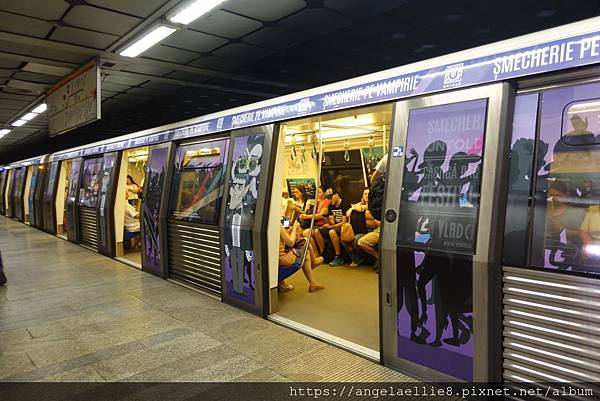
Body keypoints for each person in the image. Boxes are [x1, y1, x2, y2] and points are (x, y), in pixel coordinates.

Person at [278, 220, 325, 293]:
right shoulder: (277, 224)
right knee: (306, 251)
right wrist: (294, 228)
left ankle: (281, 283)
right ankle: (313, 282)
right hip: (283, 259)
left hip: (273, 258)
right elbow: (290, 243)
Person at [315, 189, 351, 266]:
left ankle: (338, 256)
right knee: (317, 231)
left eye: (330, 198)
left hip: (344, 227)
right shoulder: (331, 205)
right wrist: (327, 220)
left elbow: (344, 222)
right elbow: (332, 221)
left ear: (336, 195)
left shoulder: (345, 203)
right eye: (328, 198)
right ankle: (323, 253)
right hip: (335, 225)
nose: (329, 200)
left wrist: (331, 226)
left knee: (332, 232)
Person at [343, 188, 379, 266]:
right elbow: (347, 213)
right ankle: (356, 258)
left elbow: (367, 207)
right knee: (344, 238)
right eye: (365, 194)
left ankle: (368, 258)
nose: (366, 196)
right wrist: (353, 208)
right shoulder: (359, 204)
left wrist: (361, 208)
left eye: (368, 194)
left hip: (370, 230)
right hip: (359, 229)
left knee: (356, 239)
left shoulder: (375, 206)